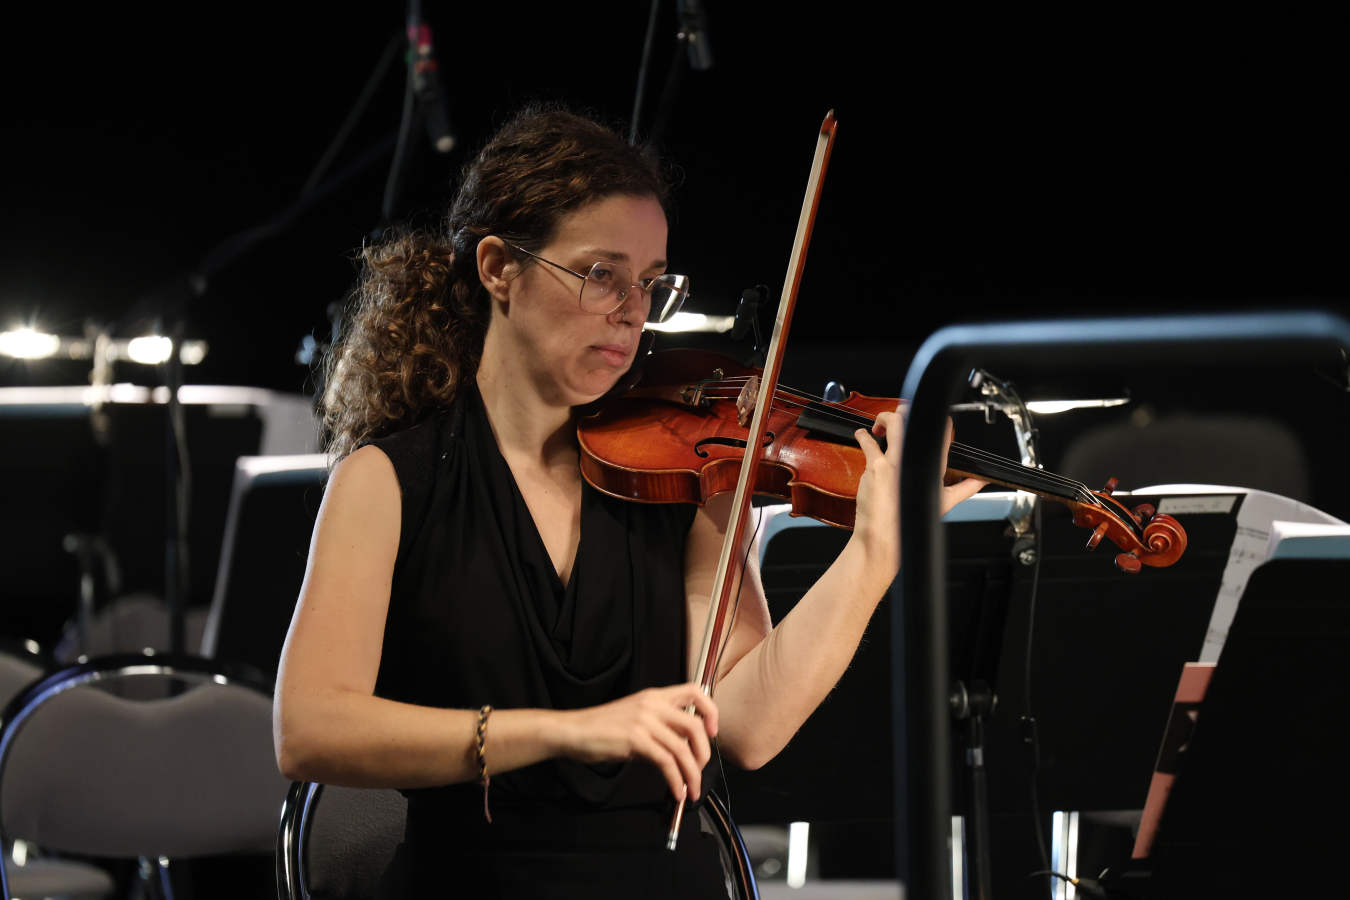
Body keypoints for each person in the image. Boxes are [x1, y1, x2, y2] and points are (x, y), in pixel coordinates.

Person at [272, 106, 985, 898]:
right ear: (499, 267)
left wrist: (877, 552)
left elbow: (747, 726)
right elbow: (308, 729)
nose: (632, 311)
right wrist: (564, 732)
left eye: (651, 283)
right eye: (600, 273)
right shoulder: (387, 481)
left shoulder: (686, 476)